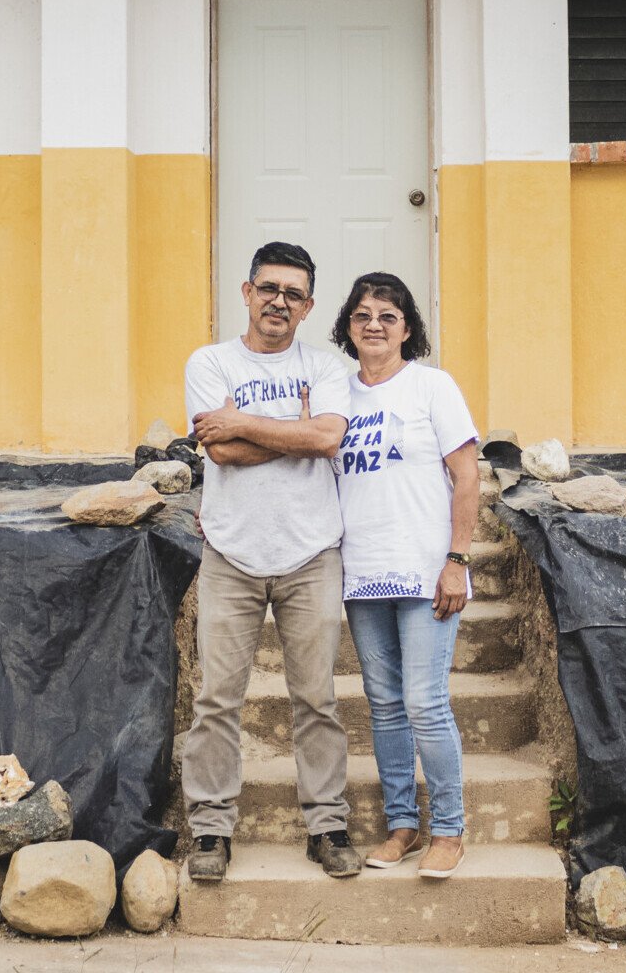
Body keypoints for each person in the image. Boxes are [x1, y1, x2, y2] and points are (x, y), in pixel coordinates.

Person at [179, 241, 363, 881]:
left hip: (311, 553)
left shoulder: (328, 365)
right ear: (246, 291)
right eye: (269, 289)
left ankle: (327, 824)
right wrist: (296, 430)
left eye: (293, 293)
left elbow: (329, 437)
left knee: (316, 699)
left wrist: (244, 423)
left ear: (308, 305)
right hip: (230, 553)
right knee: (216, 701)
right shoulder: (209, 362)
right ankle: (209, 831)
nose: (278, 302)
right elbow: (221, 454)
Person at [328, 271, 480, 880]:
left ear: (406, 329)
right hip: (363, 572)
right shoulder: (338, 396)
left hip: (425, 571)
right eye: (362, 314)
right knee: (384, 705)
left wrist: (457, 560)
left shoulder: (431, 388)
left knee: (425, 702)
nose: (373, 324)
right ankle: (402, 826)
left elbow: (467, 477)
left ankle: (449, 829)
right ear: (347, 327)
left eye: (387, 315)